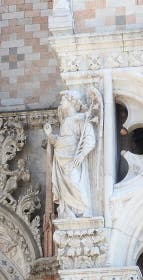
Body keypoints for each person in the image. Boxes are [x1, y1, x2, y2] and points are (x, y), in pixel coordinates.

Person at [43, 90, 97, 218]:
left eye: (64, 100)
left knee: (74, 182)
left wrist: (81, 155)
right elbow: (61, 141)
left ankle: (83, 209)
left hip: (72, 159)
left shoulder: (80, 119)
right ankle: (68, 210)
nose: (61, 102)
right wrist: (50, 135)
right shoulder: (66, 121)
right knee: (64, 187)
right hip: (61, 159)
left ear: (72, 102)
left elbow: (90, 139)